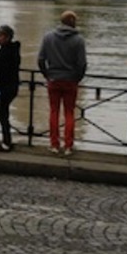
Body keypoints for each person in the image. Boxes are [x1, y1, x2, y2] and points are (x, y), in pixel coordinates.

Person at [38, 10, 88, 156]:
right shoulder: (79, 40)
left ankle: (54, 144)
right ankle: (68, 146)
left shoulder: (48, 37)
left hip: (53, 79)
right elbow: (82, 64)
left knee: (54, 111)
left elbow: (41, 60)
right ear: (74, 22)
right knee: (69, 113)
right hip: (70, 80)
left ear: (61, 21)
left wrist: (47, 75)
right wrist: (77, 78)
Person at [0, 25, 21, 152]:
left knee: (1, 113)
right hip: (11, 86)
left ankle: (6, 142)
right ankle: (7, 140)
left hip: (5, 88)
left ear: (8, 37)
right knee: (2, 113)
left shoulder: (5, 52)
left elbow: (2, 73)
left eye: (1, 36)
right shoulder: (13, 50)